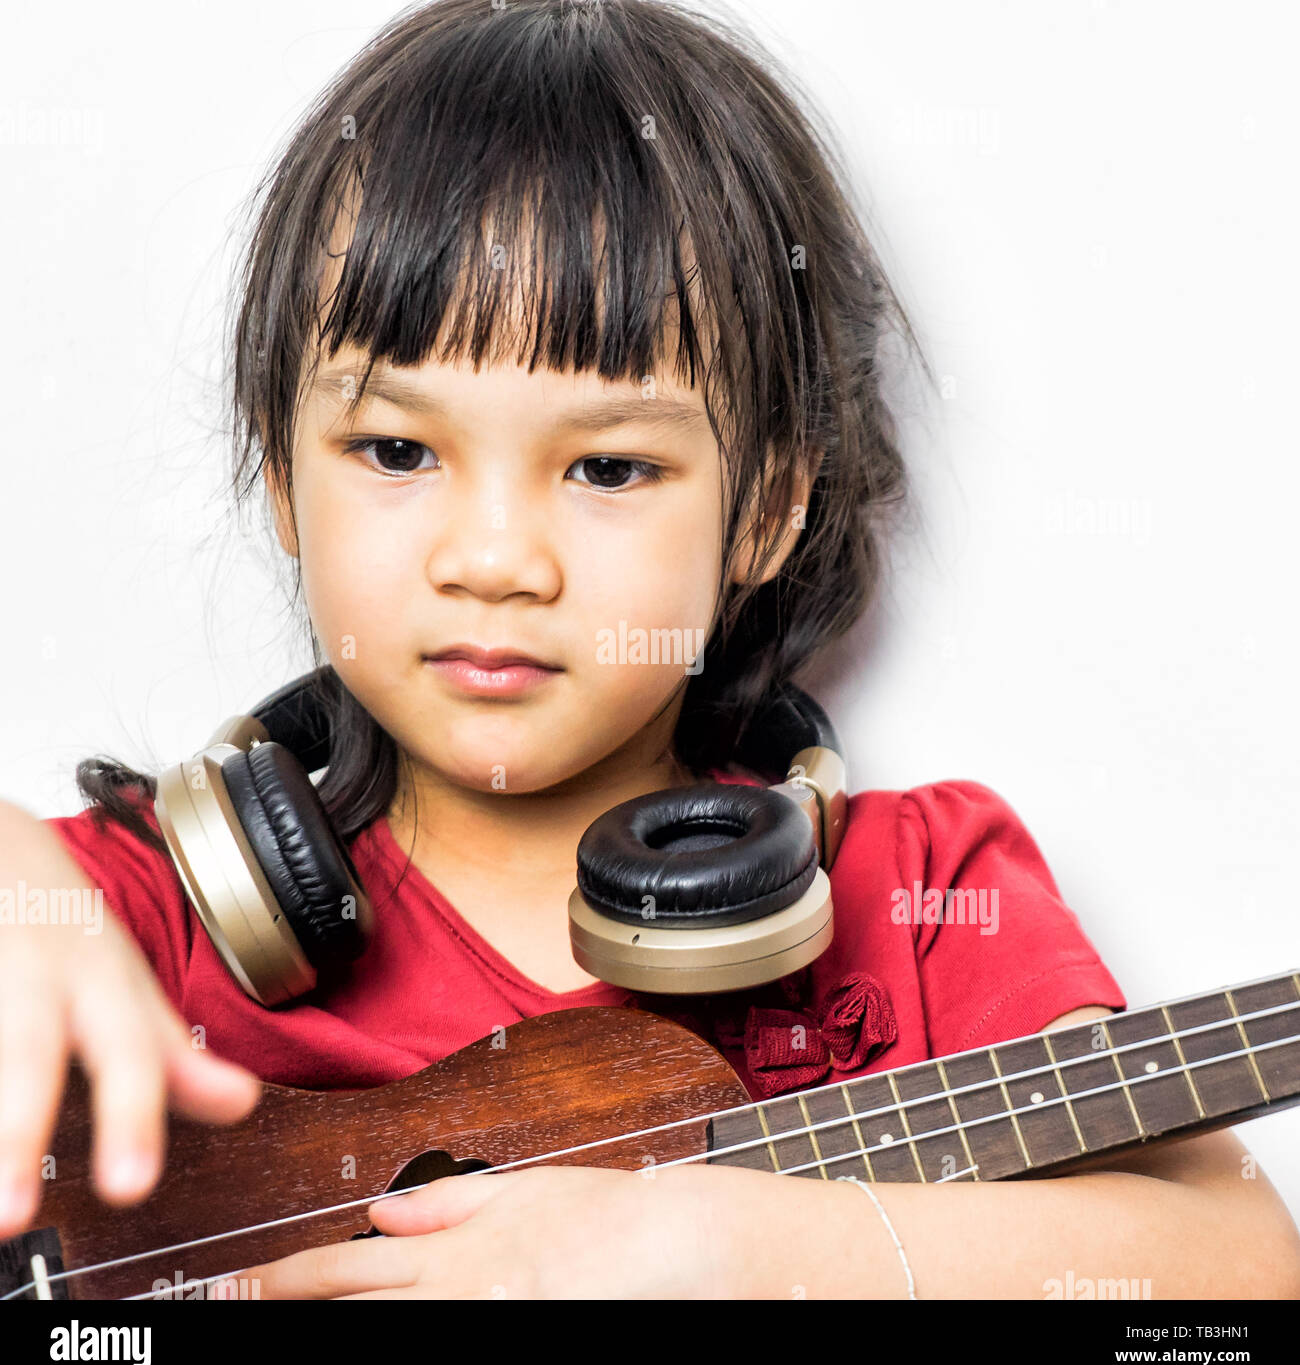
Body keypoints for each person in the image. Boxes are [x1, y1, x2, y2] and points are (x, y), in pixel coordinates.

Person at [2, 0, 1297, 1299]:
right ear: (279, 472)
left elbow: (1237, 1263)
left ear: (769, 505)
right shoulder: (138, 914)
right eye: (396, 450)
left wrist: (753, 1248)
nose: (496, 557)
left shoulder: (917, 891)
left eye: (610, 464)